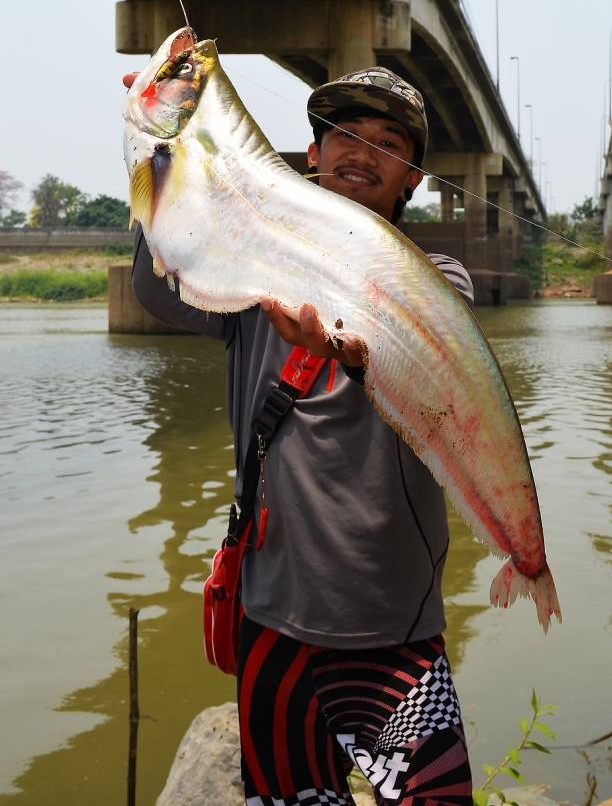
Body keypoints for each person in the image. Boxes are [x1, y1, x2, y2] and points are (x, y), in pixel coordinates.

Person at [130, 64, 474, 806]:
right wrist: (162, 153)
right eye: (344, 134)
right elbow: (161, 280)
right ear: (310, 155)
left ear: (411, 179)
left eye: (389, 143)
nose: (363, 151)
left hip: (394, 621)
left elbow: (410, 361)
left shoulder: (436, 281)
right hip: (271, 616)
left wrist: (356, 354)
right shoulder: (247, 276)